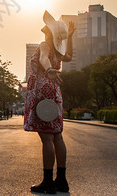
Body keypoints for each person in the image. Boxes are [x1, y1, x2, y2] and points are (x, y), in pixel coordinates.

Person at [24, 11, 75, 194]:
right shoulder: (59, 49)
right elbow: (69, 55)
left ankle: (47, 183)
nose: (44, 28)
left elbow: (44, 57)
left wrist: (49, 69)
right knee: (57, 135)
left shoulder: (45, 44)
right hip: (54, 91)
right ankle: (61, 181)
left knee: (46, 137)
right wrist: (69, 37)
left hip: (44, 89)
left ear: (49, 32)